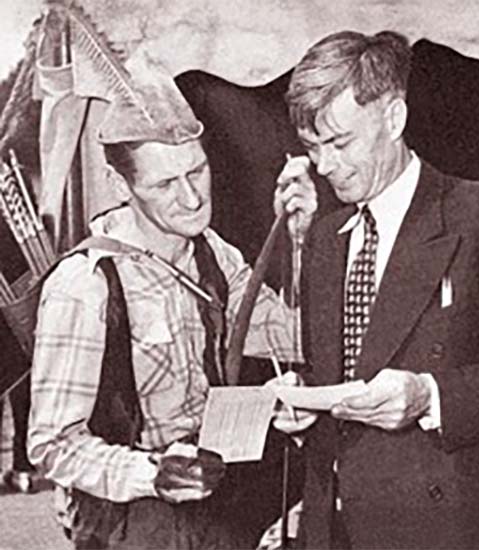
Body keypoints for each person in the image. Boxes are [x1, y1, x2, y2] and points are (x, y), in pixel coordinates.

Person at [274, 30, 479, 549]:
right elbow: (345, 375)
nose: (325, 166)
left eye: (340, 143)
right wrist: (304, 402)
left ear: (394, 118)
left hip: (454, 531)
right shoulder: (327, 243)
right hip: (341, 531)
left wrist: (430, 396)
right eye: (312, 148)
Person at [27, 54, 316, 550]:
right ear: (121, 186)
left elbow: (293, 336)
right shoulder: (85, 287)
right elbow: (51, 445)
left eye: (196, 171)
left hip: (214, 491)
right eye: (164, 184)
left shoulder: (213, 253)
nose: (191, 198)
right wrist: (152, 474)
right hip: (131, 513)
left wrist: (302, 239)